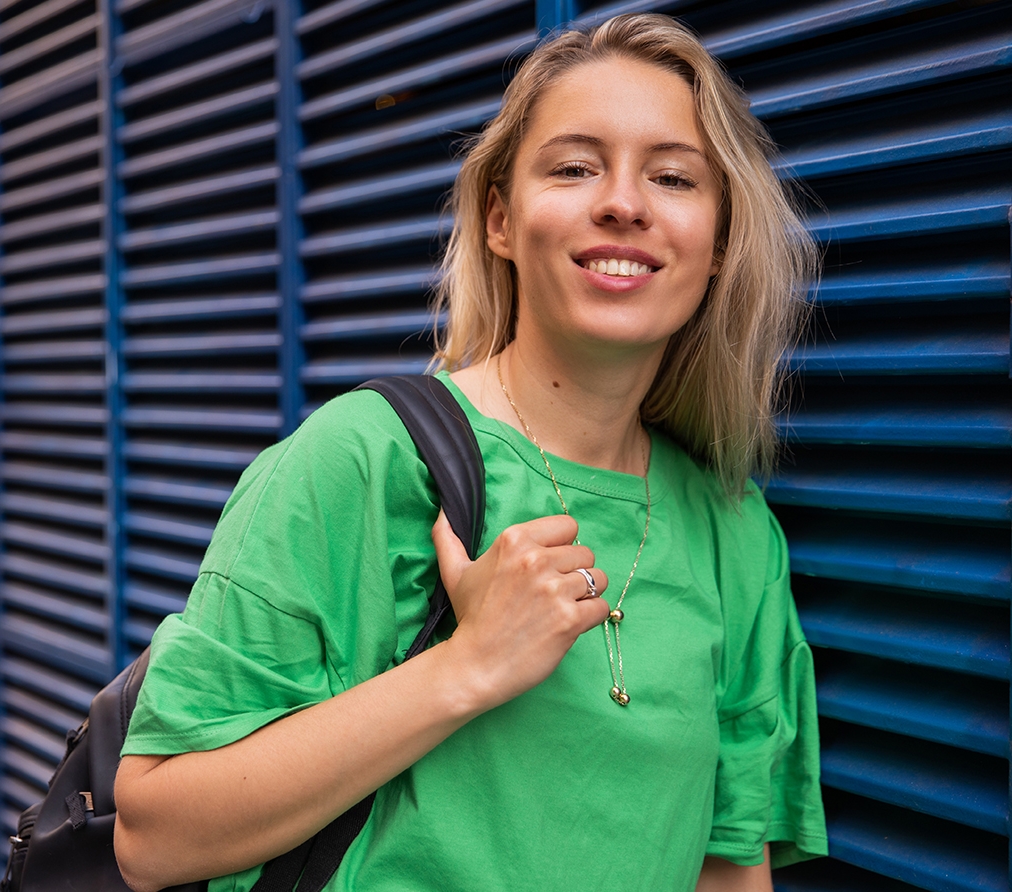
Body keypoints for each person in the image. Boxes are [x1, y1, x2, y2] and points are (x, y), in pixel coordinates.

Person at [113, 13, 828, 892]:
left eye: (673, 177)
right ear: (499, 218)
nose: (623, 203)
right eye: (573, 167)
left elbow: (730, 868)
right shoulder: (365, 462)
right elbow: (154, 834)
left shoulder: (734, 531)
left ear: (717, 243)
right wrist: (467, 667)